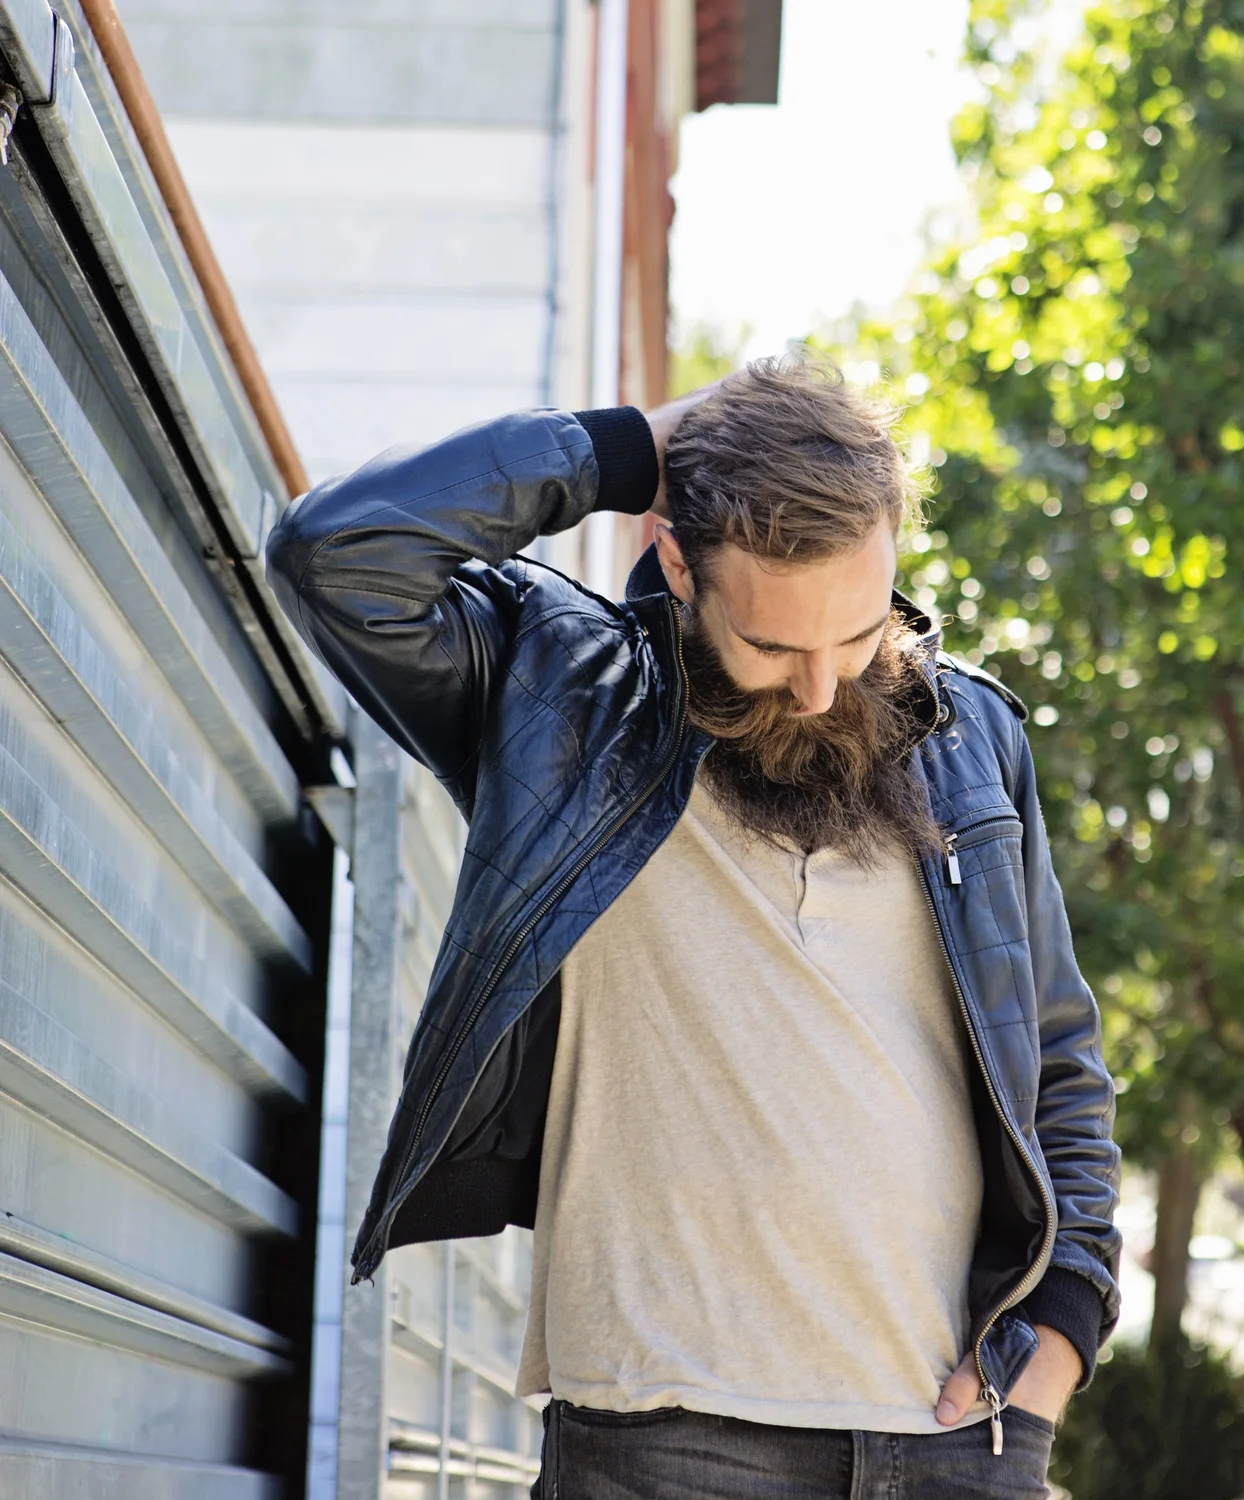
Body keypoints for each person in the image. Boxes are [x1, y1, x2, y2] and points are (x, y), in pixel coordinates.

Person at [266, 355, 1120, 1500]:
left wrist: (1055, 1350)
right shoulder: (561, 702)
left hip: (957, 1441)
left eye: (857, 633)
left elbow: (1059, 1068)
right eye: (774, 647)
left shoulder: (975, 740)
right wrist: (633, 447)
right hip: (662, 1437)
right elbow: (338, 555)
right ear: (679, 561)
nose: (821, 686)